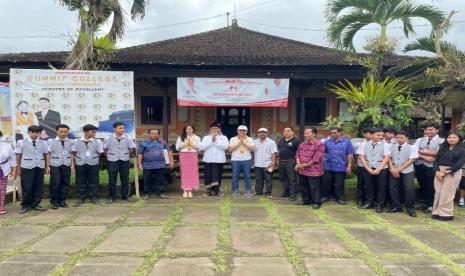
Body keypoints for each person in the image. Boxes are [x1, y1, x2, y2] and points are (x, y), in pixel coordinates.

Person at [432, 132, 465, 221]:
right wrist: (436, 171)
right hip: (439, 171)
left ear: (459, 139)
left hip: (452, 172)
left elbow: (459, 164)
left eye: (454, 137)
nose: (451, 139)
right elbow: (436, 160)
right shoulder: (442, 147)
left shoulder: (462, 149)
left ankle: (446, 213)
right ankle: (436, 212)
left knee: (447, 193)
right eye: (449, 137)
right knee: (438, 192)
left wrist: (445, 172)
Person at [15, 125, 48, 214]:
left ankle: (35, 204)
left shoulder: (43, 143)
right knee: (27, 186)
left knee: (38, 186)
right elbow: (18, 156)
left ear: (40, 133)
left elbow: (45, 155)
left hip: (39, 166)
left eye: (37, 132)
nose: (35, 134)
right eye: (32, 132)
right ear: (28, 132)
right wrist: (18, 168)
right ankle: (25, 205)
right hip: (26, 166)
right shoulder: (21, 142)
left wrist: (46, 166)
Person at [358, 127, 391, 212]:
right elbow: (361, 156)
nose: (380, 137)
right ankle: (369, 202)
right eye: (378, 135)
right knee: (368, 185)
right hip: (368, 167)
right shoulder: (364, 144)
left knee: (381, 187)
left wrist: (379, 169)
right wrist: (368, 168)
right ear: (371, 135)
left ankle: (380, 204)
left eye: (381, 135)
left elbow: (387, 157)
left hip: (381, 168)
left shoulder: (385, 145)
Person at [387, 131, 418, 217]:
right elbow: (388, 158)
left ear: (407, 138)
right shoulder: (391, 146)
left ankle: (410, 208)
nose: (399, 139)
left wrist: (399, 169)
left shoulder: (412, 147)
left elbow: (411, 160)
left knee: (409, 188)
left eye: (401, 138)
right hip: (393, 169)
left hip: (407, 170)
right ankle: (396, 206)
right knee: (393, 188)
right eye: (397, 137)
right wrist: (392, 168)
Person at [103, 121, 136, 203]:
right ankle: (111, 197)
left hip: (124, 160)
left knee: (125, 179)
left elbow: (131, 148)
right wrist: (108, 157)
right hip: (112, 160)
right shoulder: (108, 138)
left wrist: (126, 154)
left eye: (123, 128)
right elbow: (104, 149)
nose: (122, 130)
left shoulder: (128, 137)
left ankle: (125, 196)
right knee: (112, 179)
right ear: (115, 129)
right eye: (120, 128)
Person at [415, 123, 444, 213]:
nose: (428, 131)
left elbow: (438, 153)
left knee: (431, 185)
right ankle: (426, 203)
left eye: (431, 130)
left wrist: (421, 153)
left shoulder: (442, 141)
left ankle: (432, 205)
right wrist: (426, 156)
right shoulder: (420, 140)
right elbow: (415, 151)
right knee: (422, 184)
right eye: (427, 130)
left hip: (432, 167)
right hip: (420, 165)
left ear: (437, 130)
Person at [137, 129, 174, 200]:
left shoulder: (163, 142)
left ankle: (160, 193)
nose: (154, 135)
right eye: (152, 133)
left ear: (158, 135)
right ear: (149, 134)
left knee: (160, 180)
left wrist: (171, 161)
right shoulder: (144, 143)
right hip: (147, 165)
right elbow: (140, 154)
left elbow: (169, 152)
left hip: (160, 165)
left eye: (156, 134)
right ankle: (147, 193)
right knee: (147, 180)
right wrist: (139, 164)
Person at [73, 124, 104, 206]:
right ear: (85, 132)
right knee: (80, 181)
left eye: (95, 132)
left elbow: (100, 152)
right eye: (92, 132)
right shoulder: (77, 141)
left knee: (94, 181)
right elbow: (74, 152)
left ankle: (94, 197)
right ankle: (80, 198)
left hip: (93, 163)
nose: (94, 133)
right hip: (80, 163)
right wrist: (81, 157)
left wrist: (93, 158)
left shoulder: (98, 141)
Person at [322, 126, 354, 205]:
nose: (332, 134)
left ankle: (340, 197)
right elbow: (323, 152)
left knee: (339, 183)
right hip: (328, 165)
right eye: (331, 133)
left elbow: (350, 154)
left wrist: (349, 165)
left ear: (340, 133)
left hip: (340, 165)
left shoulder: (347, 142)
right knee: (327, 182)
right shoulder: (327, 142)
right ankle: (326, 196)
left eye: (334, 133)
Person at [295, 127, 325, 209]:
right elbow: (297, 154)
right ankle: (306, 200)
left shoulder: (319, 144)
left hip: (314, 170)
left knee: (314, 187)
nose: (305, 135)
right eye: (305, 133)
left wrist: (307, 164)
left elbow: (317, 158)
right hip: (302, 169)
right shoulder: (302, 144)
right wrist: (298, 163)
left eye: (308, 133)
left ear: (314, 134)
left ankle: (316, 202)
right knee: (303, 186)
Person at [47, 124, 74, 209]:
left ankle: (62, 201)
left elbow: (71, 153)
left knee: (65, 183)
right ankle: (54, 202)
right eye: (61, 132)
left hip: (66, 164)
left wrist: (72, 165)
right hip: (55, 164)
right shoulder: (51, 141)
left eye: (65, 132)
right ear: (57, 131)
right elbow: (48, 153)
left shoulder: (70, 141)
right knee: (55, 183)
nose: (63, 133)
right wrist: (47, 165)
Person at [201, 121, 228, 197]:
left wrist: (215, 141)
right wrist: (211, 141)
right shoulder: (206, 137)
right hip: (208, 159)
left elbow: (225, 147)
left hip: (219, 160)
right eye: (213, 128)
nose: (214, 129)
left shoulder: (223, 137)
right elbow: (202, 147)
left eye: (216, 128)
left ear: (219, 129)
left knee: (218, 175)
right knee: (208, 175)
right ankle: (208, 190)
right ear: (210, 129)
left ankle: (217, 190)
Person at [229, 125, 255, 197]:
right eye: (240, 130)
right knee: (235, 176)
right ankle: (235, 191)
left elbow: (253, 149)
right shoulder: (233, 139)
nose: (242, 132)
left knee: (247, 176)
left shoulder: (250, 139)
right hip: (235, 160)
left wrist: (245, 143)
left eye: (244, 130)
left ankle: (248, 191)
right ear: (237, 131)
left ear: (246, 131)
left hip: (246, 159)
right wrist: (239, 143)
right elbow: (230, 149)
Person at [176, 125, 201, 198]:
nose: (188, 130)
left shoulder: (197, 138)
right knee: (184, 172)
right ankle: (184, 189)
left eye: (190, 129)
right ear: (185, 130)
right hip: (183, 155)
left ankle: (190, 190)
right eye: (187, 129)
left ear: (193, 130)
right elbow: (178, 147)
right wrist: (185, 144)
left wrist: (192, 144)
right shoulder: (181, 137)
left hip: (193, 155)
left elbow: (199, 148)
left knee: (192, 172)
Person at [253, 127, 278, 198]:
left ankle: (268, 193)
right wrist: (253, 161)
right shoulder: (255, 141)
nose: (262, 134)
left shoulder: (271, 142)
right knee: (258, 179)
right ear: (258, 134)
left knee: (268, 179)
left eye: (264, 132)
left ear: (267, 133)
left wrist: (273, 163)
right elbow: (253, 152)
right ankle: (259, 192)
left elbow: (274, 153)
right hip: (258, 164)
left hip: (268, 164)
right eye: (260, 132)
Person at [277, 126, 300, 201]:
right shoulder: (281, 140)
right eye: (285, 131)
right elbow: (279, 150)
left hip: (291, 161)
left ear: (292, 132)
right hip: (281, 161)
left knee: (292, 179)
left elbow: (299, 152)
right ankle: (286, 191)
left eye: (288, 131)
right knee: (282, 177)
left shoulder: (296, 140)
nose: (286, 132)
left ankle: (293, 194)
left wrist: (297, 162)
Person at [353, 128, 373, 207]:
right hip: (361, 166)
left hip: (372, 167)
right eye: (369, 133)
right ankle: (360, 199)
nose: (371, 135)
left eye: (372, 133)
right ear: (364, 134)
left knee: (369, 184)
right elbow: (355, 154)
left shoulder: (376, 143)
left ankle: (369, 200)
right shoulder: (360, 143)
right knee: (361, 183)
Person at [0, 130, 17, 214]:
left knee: (2, 189)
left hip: (3, 169)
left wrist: (14, 171)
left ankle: (1, 207)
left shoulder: (7, 146)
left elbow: (13, 159)